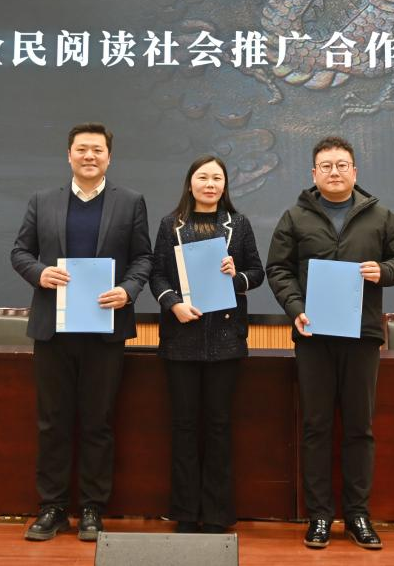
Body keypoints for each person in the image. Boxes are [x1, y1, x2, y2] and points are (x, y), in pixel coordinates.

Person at [266, 136, 394, 550]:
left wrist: (383, 271)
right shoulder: (295, 217)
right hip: (313, 335)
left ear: (354, 171)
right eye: (327, 166)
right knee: (315, 427)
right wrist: (295, 307)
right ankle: (318, 516)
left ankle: (357, 515)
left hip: (362, 336)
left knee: (358, 427)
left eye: (342, 165)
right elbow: (278, 269)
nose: (335, 172)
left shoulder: (380, 216)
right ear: (314, 174)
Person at [11, 123, 152, 542]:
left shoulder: (130, 202)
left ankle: (92, 508)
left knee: (98, 422)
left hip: (105, 330)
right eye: (82, 149)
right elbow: (20, 251)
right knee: (52, 422)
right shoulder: (43, 201)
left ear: (109, 157)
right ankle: (52, 508)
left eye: (97, 150)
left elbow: (143, 257)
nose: (89, 156)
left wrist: (128, 290)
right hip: (53, 330)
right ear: (69, 155)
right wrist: (39, 272)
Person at [149, 155, 264, 534]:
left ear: (225, 185)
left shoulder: (238, 224)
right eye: (203, 177)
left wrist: (236, 276)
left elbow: (257, 272)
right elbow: (157, 274)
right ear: (190, 183)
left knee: (218, 427)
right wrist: (173, 304)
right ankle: (185, 512)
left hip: (225, 340)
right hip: (180, 338)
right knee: (183, 427)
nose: (210, 184)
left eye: (217, 178)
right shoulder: (170, 224)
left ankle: (216, 514)